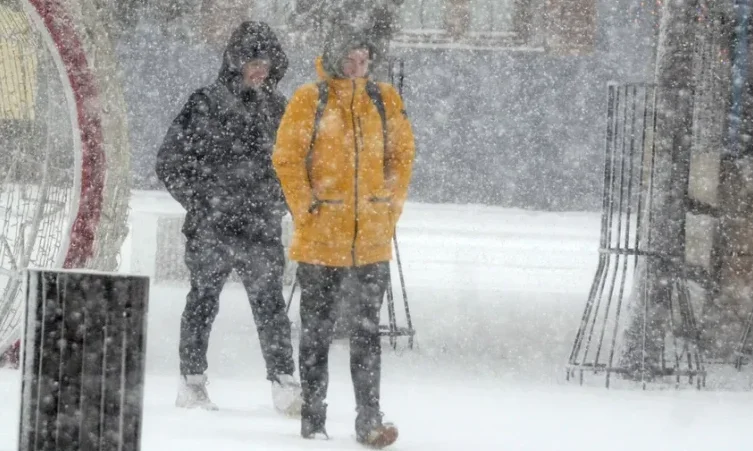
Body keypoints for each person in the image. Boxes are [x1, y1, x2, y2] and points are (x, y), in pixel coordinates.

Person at [272, 27, 415, 448]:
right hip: (320, 242)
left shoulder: (384, 100)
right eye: (351, 60)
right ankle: (313, 421)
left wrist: (389, 205)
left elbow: (402, 157)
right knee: (315, 334)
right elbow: (287, 159)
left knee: (367, 336)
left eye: (364, 61)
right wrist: (307, 207)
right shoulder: (310, 99)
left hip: (370, 242)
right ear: (335, 60)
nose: (358, 68)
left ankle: (369, 422)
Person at [155, 21, 301, 415]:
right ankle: (192, 382)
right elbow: (169, 162)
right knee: (203, 302)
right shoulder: (203, 103)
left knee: (270, 305)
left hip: (260, 226)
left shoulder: (279, 109)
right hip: (212, 226)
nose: (261, 71)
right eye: (254, 62)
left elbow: (294, 165)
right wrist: (200, 202)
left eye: (267, 63)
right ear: (236, 63)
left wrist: (284, 202)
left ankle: (285, 383)